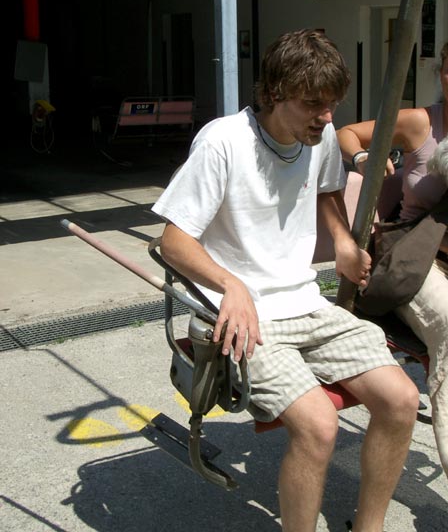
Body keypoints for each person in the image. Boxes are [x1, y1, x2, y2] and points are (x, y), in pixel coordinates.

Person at [152, 29, 418, 532]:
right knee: (319, 425)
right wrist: (232, 285)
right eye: (313, 104)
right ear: (274, 92)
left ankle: (370, 527)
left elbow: (326, 194)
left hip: (306, 304)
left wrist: (340, 240)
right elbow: (173, 242)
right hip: (241, 314)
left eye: (333, 105)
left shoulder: (315, 139)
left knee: (402, 400)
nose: (326, 118)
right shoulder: (223, 141)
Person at [337, 28, 448, 530]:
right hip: (417, 261)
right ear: (440, 73)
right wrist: (367, 164)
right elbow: (348, 134)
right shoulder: (422, 122)